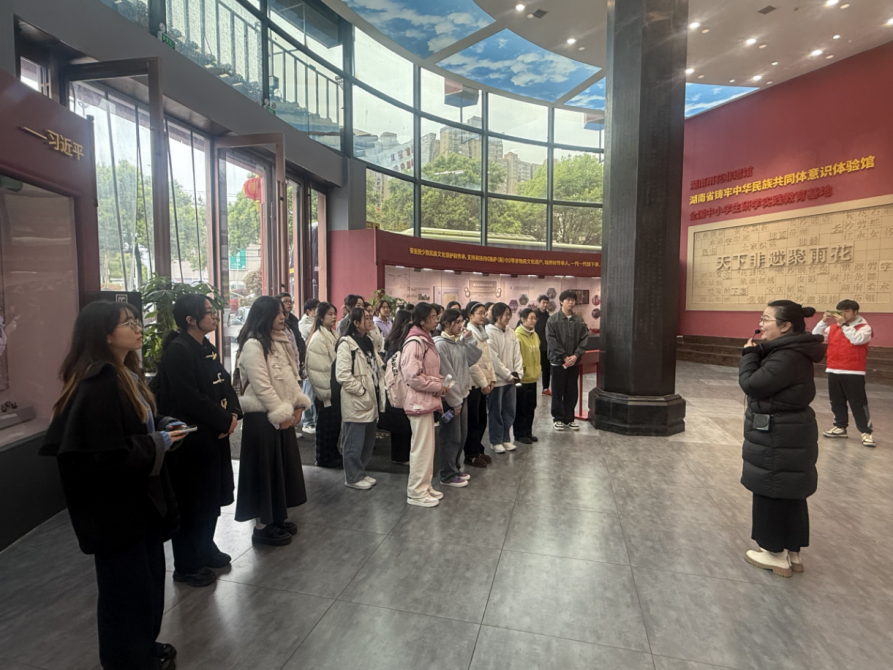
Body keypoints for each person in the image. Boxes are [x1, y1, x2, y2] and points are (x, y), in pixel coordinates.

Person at [41, 301, 189, 670]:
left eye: (137, 320)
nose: (138, 327)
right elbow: (103, 456)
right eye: (127, 323)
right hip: (117, 510)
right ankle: (128, 660)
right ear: (105, 334)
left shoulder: (125, 373)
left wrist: (162, 426)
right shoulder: (99, 381)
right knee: (126, 592)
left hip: (140, 503)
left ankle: (143, 647)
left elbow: (133, 424)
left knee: (147, 583)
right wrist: (158, 442)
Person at [152, 294, 241, 588]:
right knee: (193, 502)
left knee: (211, 498)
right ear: (190, 320)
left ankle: (206, 547)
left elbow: (225, 383)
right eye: (208, 312)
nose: (215, 316)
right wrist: (222, 420)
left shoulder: (206, 346)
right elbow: (189, 397)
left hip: (213, 435)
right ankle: (187, 564)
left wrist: (233, 414)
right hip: (192, 439)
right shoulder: (178, 351)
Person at [740, 300, 824, 577]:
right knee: (788, 490)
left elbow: (753, 384)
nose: (761, 325)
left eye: (766, 319)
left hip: (777, 431)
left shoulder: (786, 356)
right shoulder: (793, 350)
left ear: (786, 325)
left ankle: (774, 553)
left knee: (770, 487)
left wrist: (748, 356)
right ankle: (791, 551)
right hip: (788, 429)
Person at [235, 296, 310, 547]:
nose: (283, 316)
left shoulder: (278, 340)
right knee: (263, 472)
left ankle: (276, 517)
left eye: (282, 312)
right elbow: (262, 385)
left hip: (282, 415)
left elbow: (290, 377)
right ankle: (262, 526)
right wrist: (280, 413)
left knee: (280, 470)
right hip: (262, 417)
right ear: (264, 315)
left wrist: (297, 404)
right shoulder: (253, 345)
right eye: (278, 313)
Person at [400, 303, 448, 507]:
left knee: (428, 448)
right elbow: (413, 376)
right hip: (418, 402)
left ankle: (425, 485)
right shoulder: (415, 342)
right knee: (421, 449)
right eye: (433, 316)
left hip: (427, 400)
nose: (437, 320)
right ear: (421, 320)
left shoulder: (426, 339)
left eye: (437, 316)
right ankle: (416, 492)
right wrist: (437, 385)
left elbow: (427, 371)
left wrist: (440, 382)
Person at [812, 299, 874, 446]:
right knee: (836, 401)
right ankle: (840, 426)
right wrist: (823, 321)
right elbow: (815, 336)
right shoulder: (833, 328)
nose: (843, 314)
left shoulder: (864, 327)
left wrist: (845, 325)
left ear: (855, 312)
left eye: (847, 311)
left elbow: (857, 340)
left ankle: (866, 432)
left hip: (854, 371)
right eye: (841, 311)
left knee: (858, 403)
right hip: (833, 368)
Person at [336, 307, 386, 489]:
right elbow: (342, 375)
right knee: (354, 442)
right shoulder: (346, 344)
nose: (370, 320)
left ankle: (361, 472)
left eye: (370, 317)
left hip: (372, 397)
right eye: (366, 318)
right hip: (357, 399)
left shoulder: (368, 340)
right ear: (355, 322)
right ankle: (352, 477)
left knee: (368, 441)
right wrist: (361, 391)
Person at [435, 308, 481, 487]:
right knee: (450, 437)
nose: (461, 325)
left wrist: (469, 340)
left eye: (462, 321)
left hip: (462, 394)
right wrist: (454, 401)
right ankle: (447, 474)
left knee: (461, 435)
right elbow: (448, 375)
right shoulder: (441, 345)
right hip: (450, 399)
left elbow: (473, 359)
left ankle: (454, 467)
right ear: (446, 323)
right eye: (458, 322)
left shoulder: (457, 341)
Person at [306, 301, 343, 468]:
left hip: (335, 387)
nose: (334, 317)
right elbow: (317, 369)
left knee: (334, 426)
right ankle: (323, 458)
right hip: (326, 390)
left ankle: (332, 453)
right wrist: (326, 393)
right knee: (325, 426)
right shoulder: (318, 338)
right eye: (330, 314)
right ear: (320, 317)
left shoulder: (333, 334)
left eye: (334, 314)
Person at [546, 290, 589, 431]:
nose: (571, 302)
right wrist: (564, 356)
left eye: (573, 300)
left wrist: (576, 355)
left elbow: (584, 339)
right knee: (558, 390)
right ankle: (558, 418)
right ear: (561, 302)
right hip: (558, 362)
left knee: (572, 390)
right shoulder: (553, 320)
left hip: (574, 362)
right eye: (568, 300)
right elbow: (551, 340)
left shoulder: (579, 320)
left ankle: (569, 418)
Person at [486, 302, 524, 453]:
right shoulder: (489, 332)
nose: (508, 318)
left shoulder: (511, 332)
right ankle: (495, 441)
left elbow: (517, 354)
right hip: (497, 380)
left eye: (509, 315)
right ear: (497, 315)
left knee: (509, 410)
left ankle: (506, 438)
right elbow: (493, 359)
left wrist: (518, 373)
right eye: (505, 315)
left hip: (512, 380)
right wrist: (507, 374)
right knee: (496, 411)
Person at [464, 301, 495, 468]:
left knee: (482, 419)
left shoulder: (482, 332)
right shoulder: (468, 334)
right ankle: (471, 454)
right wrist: (484, 382)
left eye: (484, 313)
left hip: (483, 382)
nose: (483, 316)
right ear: (470, 315)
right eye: (479, 313)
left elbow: (487, 359)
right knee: (473, 421)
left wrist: (492, 379)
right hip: (473, 384)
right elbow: (472, 364)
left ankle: (478, 448)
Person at [380, 309, 414, 464]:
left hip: (400, 386)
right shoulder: (396, 343)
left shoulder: (399, 340)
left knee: (402, 423)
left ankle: (401, 455)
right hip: (397, 386)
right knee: (401, 424)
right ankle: (400, 456)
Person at [514, 307, 542, 445]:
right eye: (530, 318)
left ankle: (528, 431)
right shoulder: (517, 335)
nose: (533, 321)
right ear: (522, 319)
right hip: (522, 377)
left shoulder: (535, 335)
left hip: (533, 376)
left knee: (531, 406)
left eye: (535, 318)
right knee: (521, 407)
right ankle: (519, 433)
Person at [299, 298, 320, 435]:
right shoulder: (304, 323)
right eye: (316, 309)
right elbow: (312, 334)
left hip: (316, 360)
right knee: (308, 392)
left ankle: (313, 420)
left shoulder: (314, 321)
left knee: (314, 392)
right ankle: (307, 422)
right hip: (308, 360)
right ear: (309, 310)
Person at [534, 295, 552, 397]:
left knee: (546, 369)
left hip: (545, 347)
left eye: (547, 303)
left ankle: (545, 388)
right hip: (534, 347)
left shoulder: (549, 317)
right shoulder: (533, 316)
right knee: (532, 368)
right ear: (538, 302)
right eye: (543, 302)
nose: (545, 305)